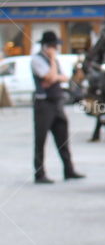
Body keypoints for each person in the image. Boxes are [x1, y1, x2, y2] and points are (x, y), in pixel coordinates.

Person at [32, 31, 84, 184]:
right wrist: (53, 62)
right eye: (54, 46)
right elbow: (50, 77)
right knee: (40, 140)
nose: (56, 49)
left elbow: (62, 77)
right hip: (43, 103)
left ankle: (69, 170)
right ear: (46, 46)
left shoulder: (52, 60)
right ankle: (39, 173)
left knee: (63, 138)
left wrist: (53, 76)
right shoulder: (37, 59)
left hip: (57, 101)